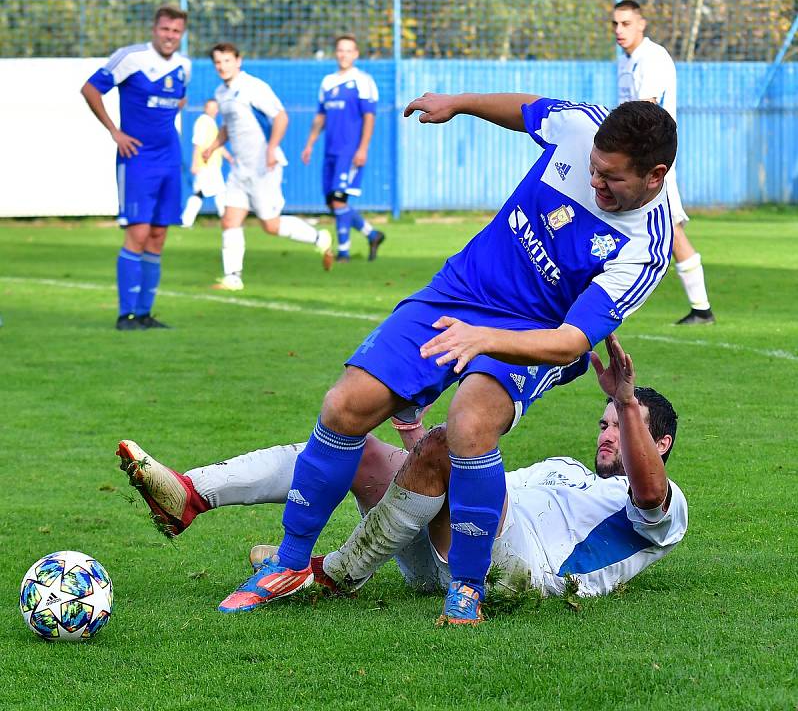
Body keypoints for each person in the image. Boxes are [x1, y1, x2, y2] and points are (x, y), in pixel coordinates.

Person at [128, 90, 677, 623]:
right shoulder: (583, 126)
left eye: (612, 178)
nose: (595, 181)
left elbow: (572, 343)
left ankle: (465, 590)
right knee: (346, 405)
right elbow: (528, 110)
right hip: (460, 290)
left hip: (535, 333)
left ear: (654, 177)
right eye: (593, 169)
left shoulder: (647, 247)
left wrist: (482, 340)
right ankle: (289, 562)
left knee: (469, 423)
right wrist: (459, 102)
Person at [117, 334, 688, 625]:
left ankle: (334, 572)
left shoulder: (664, 506)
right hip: (457, 552)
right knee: (355, 447)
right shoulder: (560, 469)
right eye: (606, 421)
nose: (607, 433)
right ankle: (191, 495)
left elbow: (650, 495)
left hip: (521, 574)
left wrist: (627, 400)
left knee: (448, 442)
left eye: (623, 425)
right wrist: (415, 436)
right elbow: (460, 487)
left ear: (657, 443)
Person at [80, 6, 191, 330]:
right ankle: (125, 315)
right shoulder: (130, 57)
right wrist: (115, 132)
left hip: (170, 157)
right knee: (138, 232)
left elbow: (178, 100)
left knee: (158, 235)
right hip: (138, 158)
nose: (170, 36)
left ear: (181, 34)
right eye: (165, 29)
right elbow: (90, 88)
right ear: (154, 29)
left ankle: (144, 313)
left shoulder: (184, 66)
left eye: (176, 31)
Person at [613, 0, 715, 325]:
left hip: (652, 157)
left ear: (641, 24)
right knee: (648, 225)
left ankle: (702, 309)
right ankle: (700, 309)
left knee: (668, 228)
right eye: (615, 24)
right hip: (640, 155)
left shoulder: (652, 58)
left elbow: (646, 107)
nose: (618, 30)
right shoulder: (628, 61)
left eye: (626, 23)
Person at [202, 43, 333, 291]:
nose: (222, 66)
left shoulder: (253, 87)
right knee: (230, 220)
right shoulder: (221, 93)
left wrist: (272, 148)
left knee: (270, 226)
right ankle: (233, 277)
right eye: (218, 62)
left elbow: (281, 117)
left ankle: (319, 237)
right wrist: (213, 145)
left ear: (238, 61)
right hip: (240, 170)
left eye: (227, 61)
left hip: (264, 167)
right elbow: (229, 127)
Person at [300, 36, 385, 262]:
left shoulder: (362, 81)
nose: (344, 55)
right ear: (335, 53)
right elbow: (320, 117)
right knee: (332, 201)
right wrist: (309, 144)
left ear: (356, 54)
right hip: (330, 150)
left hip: (350, 149)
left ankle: (344, 252)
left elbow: (369, 116)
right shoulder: (327, 82)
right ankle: (372, 234)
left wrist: (363, 148)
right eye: (340, 50)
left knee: (339, 199)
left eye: (348, 51)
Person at [181, 99, 233, 227]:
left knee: (199, 193)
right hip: (206, 165)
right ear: (205, 108)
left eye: (215, 107)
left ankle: (186, 221)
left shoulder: (211, 123)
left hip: (212, 164)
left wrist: (229, 157)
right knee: (220, 192)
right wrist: (195, 163)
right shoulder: (203, 122)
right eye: (211, 107)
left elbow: (216, 145)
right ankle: (228, 220)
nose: (214, 110)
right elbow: (198, 143)